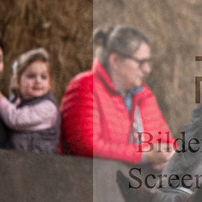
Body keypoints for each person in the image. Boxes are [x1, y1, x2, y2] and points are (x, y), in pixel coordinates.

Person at [59, 25, 174, 170]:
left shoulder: (145, 95)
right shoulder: (85, 86)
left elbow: (168, 144)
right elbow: (86, 146)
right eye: (141, 62)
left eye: (148, 62)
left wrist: (170, 158)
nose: (147, 69)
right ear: (115, 61)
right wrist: (144, 155)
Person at [0, 48, 60, 153]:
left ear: (50, 84)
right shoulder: (14, 101)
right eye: (31, 76)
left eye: (43, 77)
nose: (38, 81)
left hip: (41, 164)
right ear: (18, 81)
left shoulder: (48, 108)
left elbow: (14, 118)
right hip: (18, 162)